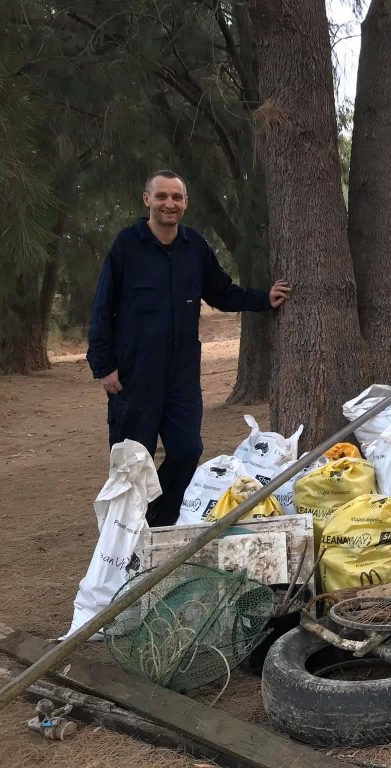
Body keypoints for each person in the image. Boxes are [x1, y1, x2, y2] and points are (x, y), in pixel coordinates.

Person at [87, 170, 290, 528]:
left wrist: (264, 299)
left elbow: (221, 291)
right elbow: (103, 305)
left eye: (177, 198)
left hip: (181, 375)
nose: (170, 203)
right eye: (162, 196)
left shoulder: (193, 246)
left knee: (186, 450)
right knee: (133, 461)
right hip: (135, 376)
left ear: (185, 203)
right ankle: (122, 535)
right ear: (147, 200)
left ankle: (158, 521)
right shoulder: (127, 245)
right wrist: (103, 365)